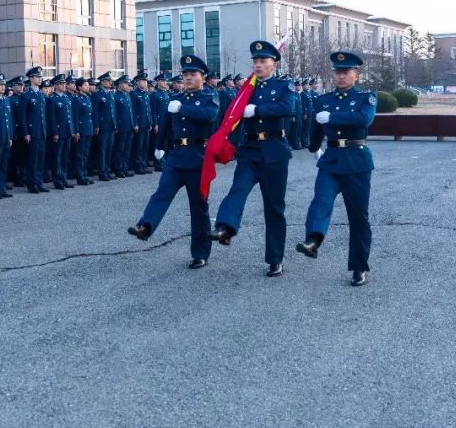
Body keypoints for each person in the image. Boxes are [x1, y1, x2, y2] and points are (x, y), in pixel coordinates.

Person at [209, 40, 298, 277]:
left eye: (263, 61)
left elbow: (288, 108)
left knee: (274, 208)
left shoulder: (283, 85)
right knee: (237, 190)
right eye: (255, 61)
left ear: (274, 64)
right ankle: (225, 228)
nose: (258, 65)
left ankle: (275, 259)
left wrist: (257, 110)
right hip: (249, 149)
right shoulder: (246, 89)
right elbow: (232, 117)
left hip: (274, 151)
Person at [127, 55, 219, 268]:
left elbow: (210, 116)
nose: (188, 78)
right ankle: (145, 226)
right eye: (185, 74)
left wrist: (183, 109)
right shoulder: (177, 97)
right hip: (177, 156)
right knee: (162, 193)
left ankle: (200, 253)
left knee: (198, 208)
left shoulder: (209, 96)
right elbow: (166, 123)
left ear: (202, 77)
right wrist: (159, 146)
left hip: (198, 157)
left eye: (192, 74)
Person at [296, 51, 377, 287]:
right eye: (337, 72)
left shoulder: (366, 98)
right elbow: (317, 126)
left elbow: (363, 120)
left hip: (356, 161)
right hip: (331, 160)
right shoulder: (324, 100)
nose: (340, 77)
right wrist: (313, 147)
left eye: (346, 72)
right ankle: (313, 240)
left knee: (358, 217)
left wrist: (332, 116)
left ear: (356, 75)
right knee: (320, 201)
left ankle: (359, 267)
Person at [18, 66, 48, 194]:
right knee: (32, 159)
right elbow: (22, 117)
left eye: (40, 77)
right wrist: (25, 132)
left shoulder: (41, 95)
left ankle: (39, 182)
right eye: (37, 77)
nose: (40, 79)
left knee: (41, 158)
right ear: (31, 78)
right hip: (32, 132)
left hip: (41, 131)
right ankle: (32, 184)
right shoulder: (26, 96)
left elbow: (43, 115)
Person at [46, 74, 78, 189]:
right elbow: (52, 118)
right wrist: (54, 133)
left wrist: (73, 130)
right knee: (57, 158)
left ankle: (64, 179)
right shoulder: (52, 99)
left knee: (65, 157)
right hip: (58, 133)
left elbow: (70, 116)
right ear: (55, 85)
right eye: (61, 84)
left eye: (64, 83)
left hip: (67, 132)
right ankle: (57, 180)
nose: (64, 86)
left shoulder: (66, 98)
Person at [92, 72, 117, 181]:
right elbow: (95, 112)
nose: (110, 82)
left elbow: (113, 111)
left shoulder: (110, 94)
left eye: (110, 81)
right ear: (102, 82)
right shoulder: (97, 94)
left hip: (110, 125)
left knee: (109, 149)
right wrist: (96, 125)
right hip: (102, 126)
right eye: (107, 81)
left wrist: (115, 124)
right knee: (102, 150)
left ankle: (107, 169)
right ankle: (102, 172)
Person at [69, 78, 94, 186]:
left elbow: (89, 115)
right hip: (81, 130)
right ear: (79, 87)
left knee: (85, 154)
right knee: (79, 154)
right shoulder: (76, 99)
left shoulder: (87, 98)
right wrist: (76, 131)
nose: (87, 87)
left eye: (87, 85)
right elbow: (75, 116)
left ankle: (84, 174)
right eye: (85, 85)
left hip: (88, 129)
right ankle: (80, 177)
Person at [112, 75, 136, 178]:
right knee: (120, 149)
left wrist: (134, 123)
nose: (127, 85)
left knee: (127, 149)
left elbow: (132, 112)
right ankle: (119, 169)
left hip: (129, 126)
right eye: (125, 83)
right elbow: (115, 114)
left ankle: (125, 168)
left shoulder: (127, 96)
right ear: (119, 84)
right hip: (121, 127)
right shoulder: (116, 97)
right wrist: (116, 126)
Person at [130, 71, 153, 174]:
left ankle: (143, 164)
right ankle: (137, 166)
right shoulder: (134, 94)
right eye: (143, 81)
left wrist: (150, 122)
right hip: (139, 124)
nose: (145, 83)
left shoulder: (146, 94)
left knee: (145, 145)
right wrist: (135, 123)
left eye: (146, 81)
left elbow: (149, 110)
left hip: (146, 124)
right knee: (138, 146)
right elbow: (133, 111)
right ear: (138, 82)